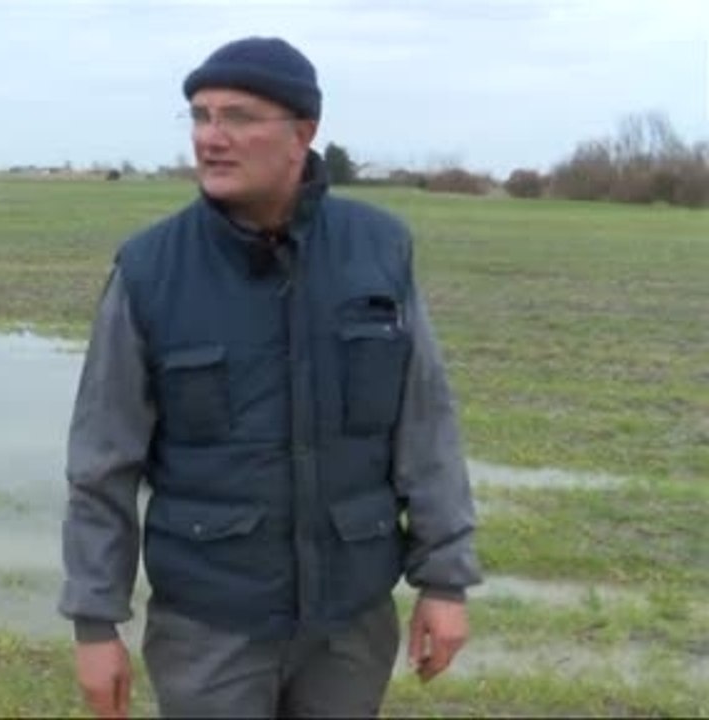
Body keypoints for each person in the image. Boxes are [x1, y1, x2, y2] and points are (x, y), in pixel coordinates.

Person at [58, 36, 481, 718]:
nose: (211, 137)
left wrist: (445, 582)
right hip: (209, 627)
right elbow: (102, 462)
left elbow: (426, 429)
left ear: (302, 133)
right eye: (200, 116)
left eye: (238, 117)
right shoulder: (149, 270)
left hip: (350, 623)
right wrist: (94, 621)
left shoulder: (379, 251)